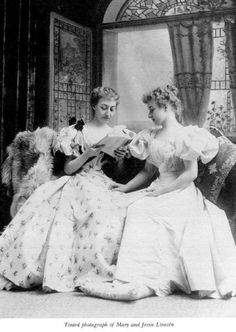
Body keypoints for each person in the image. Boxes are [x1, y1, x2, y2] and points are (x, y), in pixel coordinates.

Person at [78, 85, 236, 300]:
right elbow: (148, 171)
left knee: (154, 212)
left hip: (181, 191)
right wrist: (126, 188)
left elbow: (189, 174)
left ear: (166, 106)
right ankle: (133, 280)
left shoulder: (188, 135)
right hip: (157, 189)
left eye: (152, 109)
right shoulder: (151, 136)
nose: (149, 115)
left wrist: (163, 190)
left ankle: (153, 281)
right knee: (136, 208)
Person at [0, 86, 134, 293]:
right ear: (93, 106)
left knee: (115, 213)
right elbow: (68, 168)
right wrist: (88, 154)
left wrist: (119, 158)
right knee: (77, 214)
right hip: (78, 180)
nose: (108, 113)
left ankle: (99, 268)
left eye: (112, 109)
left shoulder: (114, 133)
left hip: (102, 181)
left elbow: (117, 172)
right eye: (103, 108)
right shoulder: (75, 132)